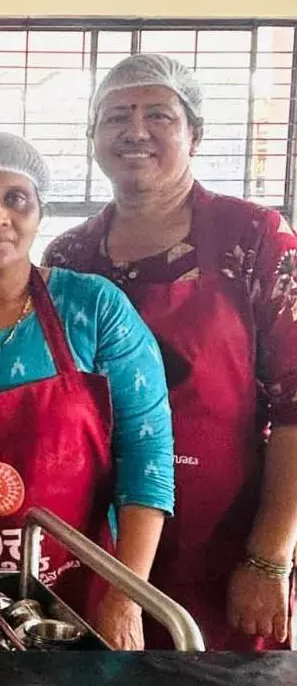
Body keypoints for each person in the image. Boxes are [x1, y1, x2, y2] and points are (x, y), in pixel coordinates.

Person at [44, 53, 297, 650]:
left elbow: (294, 404)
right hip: (98, 542)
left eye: (158, 114)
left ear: (195, 133)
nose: (135, 131)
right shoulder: (69, 256)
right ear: (92, 138)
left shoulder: (254, 238)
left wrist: (269, 559)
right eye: (115, 117)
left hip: (226, 538)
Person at [0, 130, 175, 649]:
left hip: (76, 596)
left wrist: (125, 598)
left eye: (15, 199)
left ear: (39, 213)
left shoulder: (93, 308)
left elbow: (147, 459)